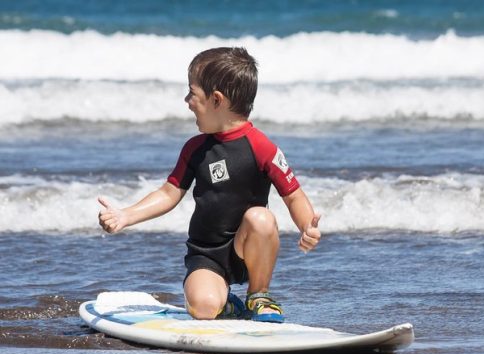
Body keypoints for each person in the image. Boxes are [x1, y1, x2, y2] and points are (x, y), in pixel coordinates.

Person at [98, 47, 321, 323]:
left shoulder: (260, 146)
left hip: (247, 246)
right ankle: (224, 303)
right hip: (207, 254)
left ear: (216, 100)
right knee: (204, 309)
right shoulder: (195, 149)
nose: (187, 100)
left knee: (261, 217)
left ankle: (259, 295)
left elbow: (293, 194)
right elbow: (169, 192)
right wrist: (126, 215)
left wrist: (306, 226)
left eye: (192, 93)